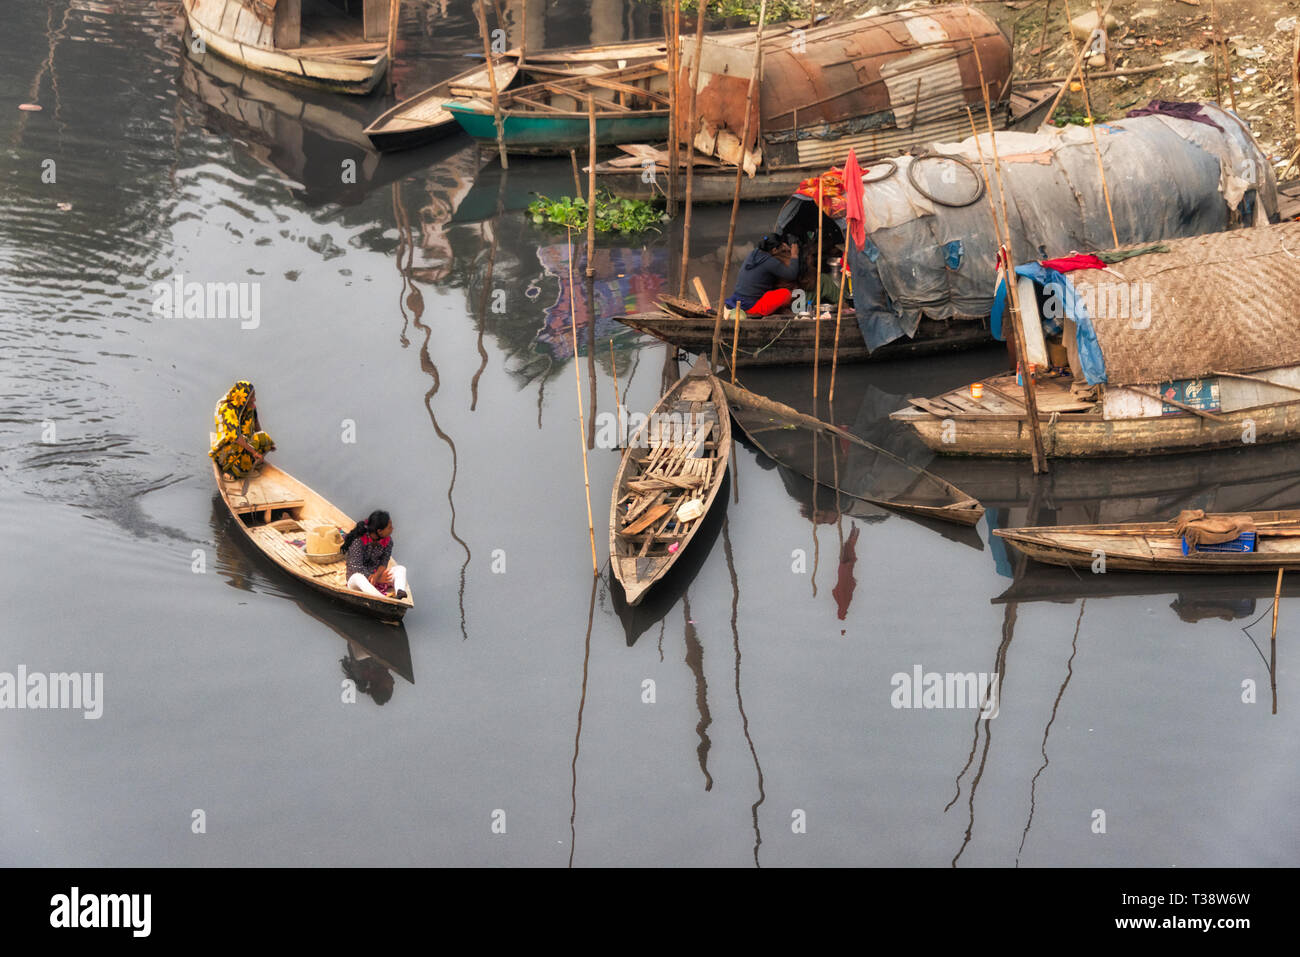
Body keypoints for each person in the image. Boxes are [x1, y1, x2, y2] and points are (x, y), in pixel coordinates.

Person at [210, 380, 275, 480]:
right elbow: (235, 437)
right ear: (243, 399)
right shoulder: (228, 410)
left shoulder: (249, 407)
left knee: (264, 438)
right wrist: (254, 452)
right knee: (239, 446)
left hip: (245, 442)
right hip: (229, 447)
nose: (254, 399)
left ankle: (252, 462)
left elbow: (257, 424)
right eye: (251, 397)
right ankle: (231, 471)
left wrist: (265, 443)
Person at [725, 234, 800, 317]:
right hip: (750, 307)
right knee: (785, 294)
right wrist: (794, 255)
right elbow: (792, 274)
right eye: (781, 247)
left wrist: (782, 246)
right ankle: (754, 312)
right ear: (774, 250)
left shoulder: (754, 253)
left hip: (736, 301)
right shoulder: (769, 262)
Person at [341, 510, 409, 600]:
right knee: (358, 577)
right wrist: (376, 578)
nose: (392, 529)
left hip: (376, 577)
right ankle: (382, 599)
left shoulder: (388, 541)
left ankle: (399, 591)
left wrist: (377, 575)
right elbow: (355, 567)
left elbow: (384, 561)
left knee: (401, 569)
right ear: (379, 531)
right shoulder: (358, 540)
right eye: (389, 527)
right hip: (357, 579)